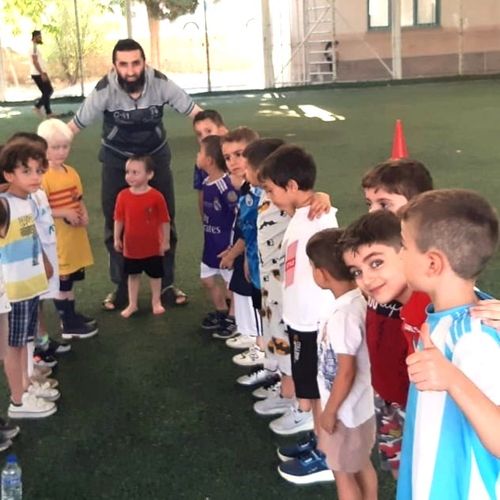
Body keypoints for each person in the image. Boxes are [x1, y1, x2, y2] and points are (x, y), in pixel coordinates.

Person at [67, 38, 202, 310]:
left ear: (144, 62)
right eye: (123, 64)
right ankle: (120, 286)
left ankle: (165, 284)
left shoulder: (161, 83)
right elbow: (73, 126)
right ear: (115, 66)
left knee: (165, 221)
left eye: (135, 63)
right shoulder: (104, 89)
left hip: (155, 157)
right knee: (115, 222)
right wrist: (47, 150)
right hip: (116, 159)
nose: (130, 71)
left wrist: (218, 137)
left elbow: (196, 112)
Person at [397, 189, 500, 499]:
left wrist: (452, 379)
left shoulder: (473, 338)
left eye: (403, 246)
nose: (399, 254)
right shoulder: (446, 318)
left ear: (433, 264)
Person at [343, 157, 434, 475]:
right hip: (385, 392)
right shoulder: (372, 257)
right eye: (369, 203)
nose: (373, 212)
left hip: (419, 401)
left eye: (384, 203)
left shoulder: (430, 281)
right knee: (400, 469)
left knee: (424, 469)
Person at [259, 145, 338, 481]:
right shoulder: (304, 212)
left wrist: (321, 197)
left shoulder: (320, 220)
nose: (270, 196)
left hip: (313, 325)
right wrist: (318, 193)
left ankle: (327, 456)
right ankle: (319, 440)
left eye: (272, 190)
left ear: (291, 186)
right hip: (300, 321)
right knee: (311, 387)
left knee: (319, 390)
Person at [290, 228, 377, 498]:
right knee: (362, 464)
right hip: (360, 409)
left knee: (342, 474)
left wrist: (329, 411)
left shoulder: (343, 315)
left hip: (344, 413)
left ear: (321, 274)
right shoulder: (359, 302)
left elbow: (346, 371)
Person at [0, 139, 59, 419]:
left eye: (38, 170)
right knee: (14, 346)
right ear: (9, 175)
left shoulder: (28, 202)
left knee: (24, 342)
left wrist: (45, 263)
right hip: (13, 291)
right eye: (26, 171)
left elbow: (33, 235)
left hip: (30, 286)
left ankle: (25, 386)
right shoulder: (5, 204)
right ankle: (18, 401)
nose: (35, 177)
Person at [37, 119, 97, 340]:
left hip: (74, 238)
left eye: (65, 147)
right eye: (55, 147)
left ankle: (71, 315)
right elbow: (41, 210)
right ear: (43, 148)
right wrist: (64, 213)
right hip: (58, 240)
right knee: (61, 281)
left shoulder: (70, 172)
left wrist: (83, 212)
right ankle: (68, 324)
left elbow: (77, 197)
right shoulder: (42, 177)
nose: (61, 152)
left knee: (70, 279)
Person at [114, 155, 171, 317]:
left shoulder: (156, 196)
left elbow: (164, 220)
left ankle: (156, 301)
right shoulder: (123, 196)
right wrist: (117, 238)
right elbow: (119, 219)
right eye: (127, 172)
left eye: (135, 172)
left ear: (149, 175)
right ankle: (132, 304)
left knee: (155, 275)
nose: (129, 176)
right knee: (133, 275)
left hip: (152, 245)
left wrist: (165, 241)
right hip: (131, 247)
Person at [197, 135, 238, 331]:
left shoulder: (225, 185)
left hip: (225, 246)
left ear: (209, 160)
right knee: (207, 279)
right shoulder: (206, 182)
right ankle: (221, 309)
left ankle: (233, 317)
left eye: (200, 152)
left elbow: (237, 213)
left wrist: (233, 247)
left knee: (232, 285)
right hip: (210, 243)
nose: (197, 156)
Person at [192, 110, 228, 219]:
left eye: (208, 131)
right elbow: (201, 192)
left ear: (222, 130)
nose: (204, 137)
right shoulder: (201, 162)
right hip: (214, 223)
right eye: (199, 134)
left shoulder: (234, 156)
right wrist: (204, 218)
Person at [30, 30, 54, 118]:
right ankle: (37, 107)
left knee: (46, 92)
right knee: (49, 91)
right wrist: (42, 74)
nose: (41, 38)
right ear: (35, 37)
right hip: (38, 74)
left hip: (40, 73)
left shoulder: (35, 46)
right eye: (39, 37)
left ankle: (49, 113)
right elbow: (35, 61)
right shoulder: (33, 47)